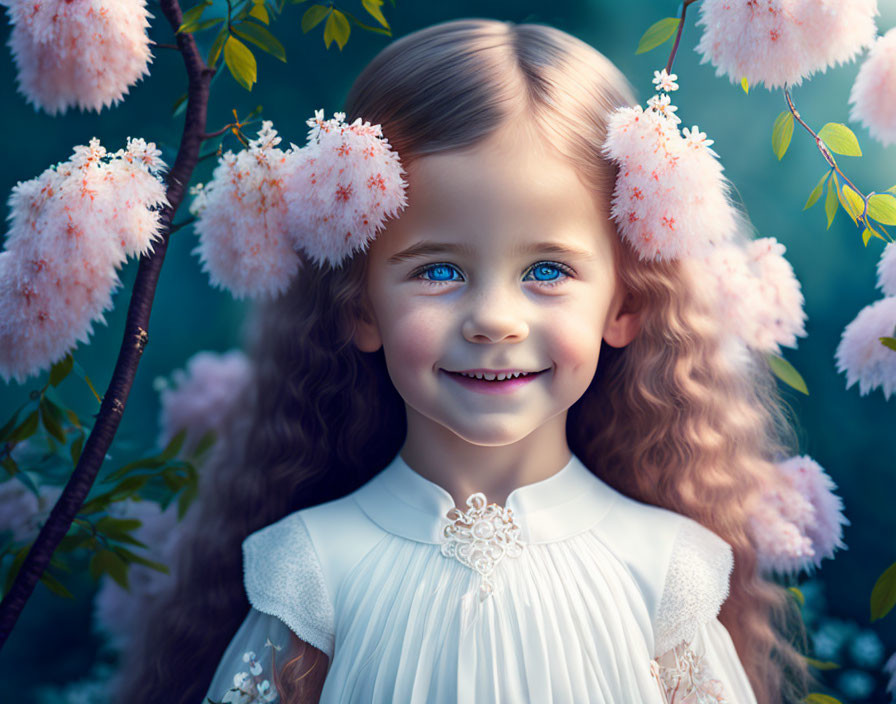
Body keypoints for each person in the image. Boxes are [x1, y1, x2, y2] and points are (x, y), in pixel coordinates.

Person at [113, 18, 813, 704]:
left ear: (624, 304)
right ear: (359, 304)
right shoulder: (313, 572)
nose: (494, 321)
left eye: (547, 270)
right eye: (440, 272)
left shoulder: (664, 572)